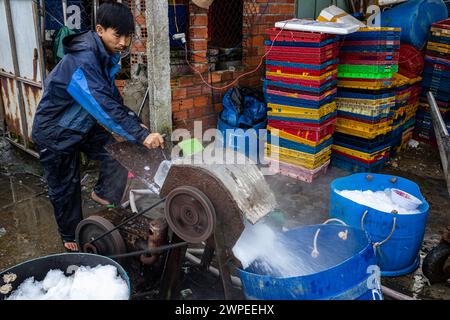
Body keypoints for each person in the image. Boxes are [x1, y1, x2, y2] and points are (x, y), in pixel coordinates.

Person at [31, 2, 164, 252]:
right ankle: (70, 235)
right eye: (118, 35)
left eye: (128, 36)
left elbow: (112, 97)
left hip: (80, 125)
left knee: (117, 152)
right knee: (65, 186)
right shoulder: (82, 61)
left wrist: (136, 124)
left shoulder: (103, 56)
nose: (124, 42)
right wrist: (141, 134)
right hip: (55, 131)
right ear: (100, 29)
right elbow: (102, 105)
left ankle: (103, 196)